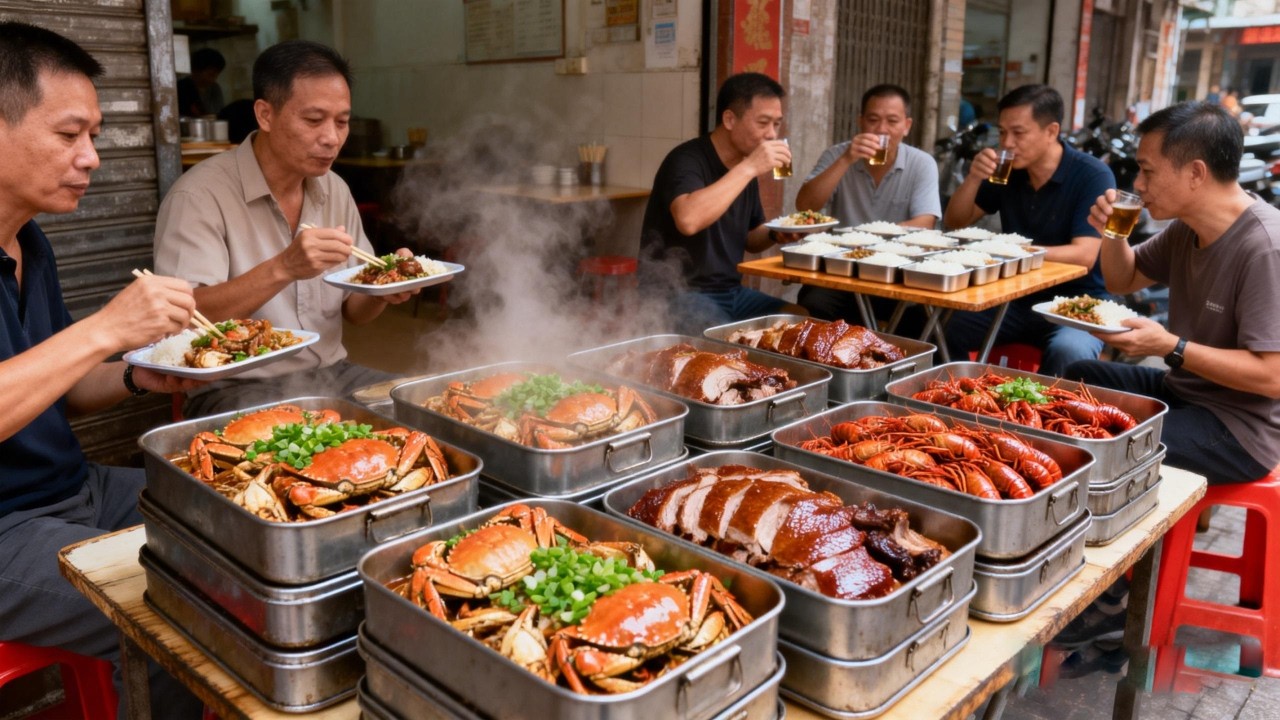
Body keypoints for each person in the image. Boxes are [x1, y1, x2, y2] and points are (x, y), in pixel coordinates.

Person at [0, 21, 204, 716]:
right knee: (183, 601)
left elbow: (62, 386)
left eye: (94, 135)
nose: (91, 158)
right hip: (4, 527)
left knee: (233, 511)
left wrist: (136, 373)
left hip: (72, 489)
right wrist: (106, 328)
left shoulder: (30, 242)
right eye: (69, 135)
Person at [155, 40, 416, 418]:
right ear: (265, 114)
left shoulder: (334, 189)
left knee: (422, 408)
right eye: (313, 120)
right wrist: (284, 267)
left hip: (333, 374)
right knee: (317, 446)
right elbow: (183, 319)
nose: (331, 138)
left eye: (342, 122)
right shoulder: (198, 196)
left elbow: (355, 311)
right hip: (236, 386)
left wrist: (385, 288)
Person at [1068, 101, 1280, 485]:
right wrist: (1113, 232)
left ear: (1195, 173)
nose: (1138, 184)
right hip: (1182, 391)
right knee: (1074, 380)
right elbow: (1123, 280)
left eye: (1147, 170)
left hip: (1239, 429)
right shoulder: (1187, 228)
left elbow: (1272, 376)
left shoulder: (1266, 246)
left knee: (1103, 442)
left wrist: (1170, 347)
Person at [942, 84, 1116, 375]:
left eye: (1018, 133)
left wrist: (1014, 251)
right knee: (949, 327)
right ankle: (958, 398)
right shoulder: (1008, 170)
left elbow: (1084, 255)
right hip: (1016, 298)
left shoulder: (1091, 175)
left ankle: (1045, 407)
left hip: (1078, 301)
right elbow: (955, 221)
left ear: (1051, 131)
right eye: (1002, 133)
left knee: (1070, 351)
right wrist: (973, 178)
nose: (1007, 143)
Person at [640, 72, 806, 332]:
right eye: (763, 123)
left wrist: (778, 232)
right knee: (727, 339)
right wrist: (750, 168)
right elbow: (688, 219)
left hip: (732, 292)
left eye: (776, 124)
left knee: (800, 319)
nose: (772, 134)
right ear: (729, 119)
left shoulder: (744, 167)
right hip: (678, 294)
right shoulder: (686, 159)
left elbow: (752, 239)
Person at [793, 83, 940, 323]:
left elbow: (925, 222)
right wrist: (846, 160)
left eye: (892, 121)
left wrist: (871, 239)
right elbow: (805, 206)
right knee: (814, 303)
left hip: (898, 272)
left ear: (906, 126)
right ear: (860, 122)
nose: (881, 129)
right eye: (873, 120)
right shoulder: (837, 155)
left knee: (921, 317)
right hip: (843, 271)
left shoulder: (922, 163)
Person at [177, 47, 226, 117]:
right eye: (210, 74)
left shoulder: (215, 88)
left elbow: (219, 113)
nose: (213, 78)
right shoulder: (182, 87)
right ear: (196, 70)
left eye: (217, 74)